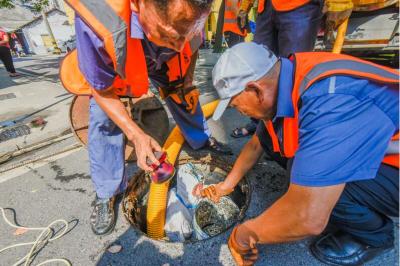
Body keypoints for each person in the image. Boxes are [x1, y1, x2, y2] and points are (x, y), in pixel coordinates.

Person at [198, 42, 399, 265]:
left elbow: (307, 216)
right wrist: (227, 185)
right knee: (284, 147)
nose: (239, 111)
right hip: (374, 149)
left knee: (314, 187)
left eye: (236, 105)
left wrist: (244, 235)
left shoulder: (329, 104)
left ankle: (374, 237)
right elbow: (258, 143)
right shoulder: (289, 76)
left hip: (395, 165)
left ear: (256, 89)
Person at [60, 0, 231, 236]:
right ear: (140, 4)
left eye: (187, 33)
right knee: (103, 120)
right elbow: (101, 90)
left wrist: (187, 79)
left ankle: (200, 140)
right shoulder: (100, 18)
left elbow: (190, 46)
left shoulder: (189, 15)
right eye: (171, 34)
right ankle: (107, 192)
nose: (181, 45)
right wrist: (136, 135)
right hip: (122, 51)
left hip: (160, 54)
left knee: (182, 92)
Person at [231, 0, 323, 138]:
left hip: (299, 6)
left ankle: (286, 133)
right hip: (267, 7)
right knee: (259, 70)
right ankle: (260, 127)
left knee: (292, 73)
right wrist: (245, 6)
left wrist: (339, 3)